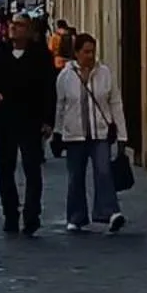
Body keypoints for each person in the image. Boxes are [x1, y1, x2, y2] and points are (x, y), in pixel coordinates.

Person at [0, 12, 57, 236]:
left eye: (20, 25)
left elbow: (49, 89)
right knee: (6, 168)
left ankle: (32, 214)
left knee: (32, 169)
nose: (14, 28)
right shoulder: (1, 52)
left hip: (31, 120)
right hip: (5, 119)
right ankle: (11, 214)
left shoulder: (40, 56)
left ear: (30, 30)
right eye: (13, 24)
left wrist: (48, 120)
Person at [56, 32, 129, 234]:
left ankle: (110, 212)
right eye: (86, 52)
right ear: (77, 53)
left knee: (104, 172)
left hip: (100, 133)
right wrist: (57, 132)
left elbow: (115, 103)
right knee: (75, 177)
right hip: (75, 134)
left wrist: (122, 135)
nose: (90, 56)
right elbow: (60, 106)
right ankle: (76, 216)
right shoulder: (66, 75)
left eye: (93, 51)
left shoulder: (105, 73)